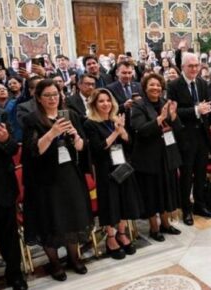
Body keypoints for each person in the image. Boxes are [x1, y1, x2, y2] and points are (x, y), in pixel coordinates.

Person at [21, 79, 92, 281]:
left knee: (72, 214)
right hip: (45, 179)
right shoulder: (31, 119)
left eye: (56, 94)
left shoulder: (70, 115)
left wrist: (75, 135)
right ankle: (54, 263)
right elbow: (34, 150)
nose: (53, 98)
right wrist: (53, 132)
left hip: (69, 173)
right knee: (50, 218)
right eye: (48, 95)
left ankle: (74, 257)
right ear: (39, 98)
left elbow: (81, 147)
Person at [84, 89, 142, 259]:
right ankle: (110, 237)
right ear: (94, 104)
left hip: (122, 165)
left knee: (126, 201)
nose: (106, 104)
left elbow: (129, 143)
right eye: (101, 101)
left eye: (108, 100)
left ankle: (122, 233)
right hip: (105, 169)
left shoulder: (115, 119)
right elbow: (98, 149)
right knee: (110, 204)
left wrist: (122, 131)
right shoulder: (90, 123)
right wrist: (115, 132)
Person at [131, 73, 182, 241]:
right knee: (152, 193)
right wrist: (160, 118)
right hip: (147, 157)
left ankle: (165, 223)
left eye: (158, 85)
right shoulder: (138, 106)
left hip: (166, 155)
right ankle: (154, 228)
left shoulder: (164, 103)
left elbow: (178, 128)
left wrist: (173, 116)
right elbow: (141, 129)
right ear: (145, 87)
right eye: (152, 85)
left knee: (166, 191)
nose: (156, 88)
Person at [167, 52, 211, 224]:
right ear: (183, 67)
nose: (194, 69)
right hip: (184, 136)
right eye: (191, 66)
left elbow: (207, 106)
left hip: (201, 136)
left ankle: (200, 205)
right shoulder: (173, 85)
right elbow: (173, 112)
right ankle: (186, 209)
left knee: (201, 174)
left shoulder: (202, 83)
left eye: (196, 65)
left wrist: (205, 109)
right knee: (187, 175)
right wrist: (196, 110)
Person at [0, 104, 28, 290]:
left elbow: (13, 149)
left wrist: (5, 139)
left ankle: (15, 275)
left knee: (9, 237)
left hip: (2, 188)